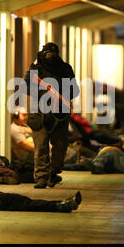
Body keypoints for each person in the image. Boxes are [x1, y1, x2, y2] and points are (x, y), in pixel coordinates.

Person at [24, 42, 80, 188]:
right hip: (39, 114)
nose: (50, 57)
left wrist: (60, 93)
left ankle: (53, 173)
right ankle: (41, 177)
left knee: (60, 147)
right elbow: (26, 86)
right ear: (43, 53)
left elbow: (75, 90)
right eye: (48, 54)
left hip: (59, 114)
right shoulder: (36, 68)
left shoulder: (65, 68)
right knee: (41, 147)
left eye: (53, 55)